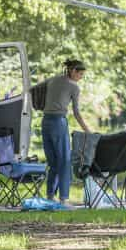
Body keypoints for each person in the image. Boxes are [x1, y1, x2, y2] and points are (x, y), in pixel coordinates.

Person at [41, 58, 90, 205]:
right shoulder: (73, 86)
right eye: (80, 74)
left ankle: (50, 196)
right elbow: (76, 113)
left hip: (45, 122)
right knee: (65, 161)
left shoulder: (52, 81)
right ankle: (64, 198)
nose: (81, 78)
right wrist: (87, 130)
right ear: (73, 71)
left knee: (53, 162)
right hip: (58, 123)